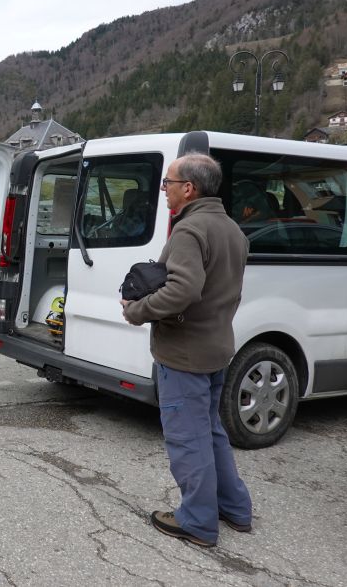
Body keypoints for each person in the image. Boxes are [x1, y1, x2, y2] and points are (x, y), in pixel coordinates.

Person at [121, 152, 253, 548]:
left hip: (184, 354)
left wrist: (138, 311)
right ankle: (235, 508)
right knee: (211, 432)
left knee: (187, 438)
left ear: (189, 189)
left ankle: (197, 521)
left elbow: (183, 289)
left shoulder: (190, 230)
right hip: (216, 349)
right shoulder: (232, 229)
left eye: (168, 183)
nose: (164, 190)